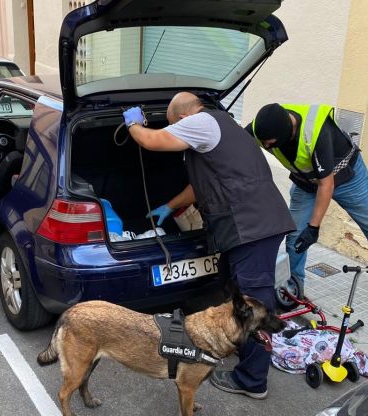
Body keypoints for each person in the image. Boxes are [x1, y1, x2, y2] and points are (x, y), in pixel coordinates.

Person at [122, 92, 296, 399]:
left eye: (176, 126)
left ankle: (253, 380)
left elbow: (153, 141)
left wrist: (134, 123)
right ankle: (234, 348)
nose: (178, 132)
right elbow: (200, 185)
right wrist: (170, 206)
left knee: (253, 299)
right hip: (248, 226)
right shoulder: (221, 127)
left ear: (183, 119)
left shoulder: (201, 121)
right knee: (233, 293)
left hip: (251, 226)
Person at [247, 103, 368, 306]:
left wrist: (313, 228)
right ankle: (293, 287)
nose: (267, 147)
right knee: (295, 234)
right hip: (306, 181)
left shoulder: (316, 132)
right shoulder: (264, 127)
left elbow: (326, 185)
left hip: (347, 178)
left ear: (288, 131)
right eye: (264, 143)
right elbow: (233, 141)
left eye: (271, 143)